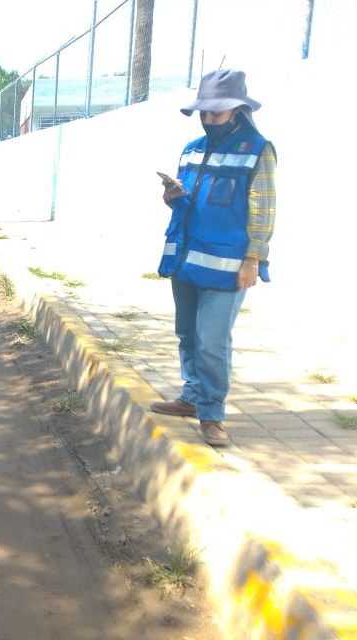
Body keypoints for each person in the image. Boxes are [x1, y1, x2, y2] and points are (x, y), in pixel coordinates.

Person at [151, 69, 277, 447]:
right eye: (204, 113)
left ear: (237, 110)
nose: (208, 119)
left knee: (212, 340)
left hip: (227, 266)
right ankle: (191, 397)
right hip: (186, 258)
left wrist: (254, 258)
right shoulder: (191, 148)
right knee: (187, 333)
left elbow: (263, 208)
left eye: (216, 113)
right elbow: (187, 201)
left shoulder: (257, 150)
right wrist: (172, 195)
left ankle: (212, 412)